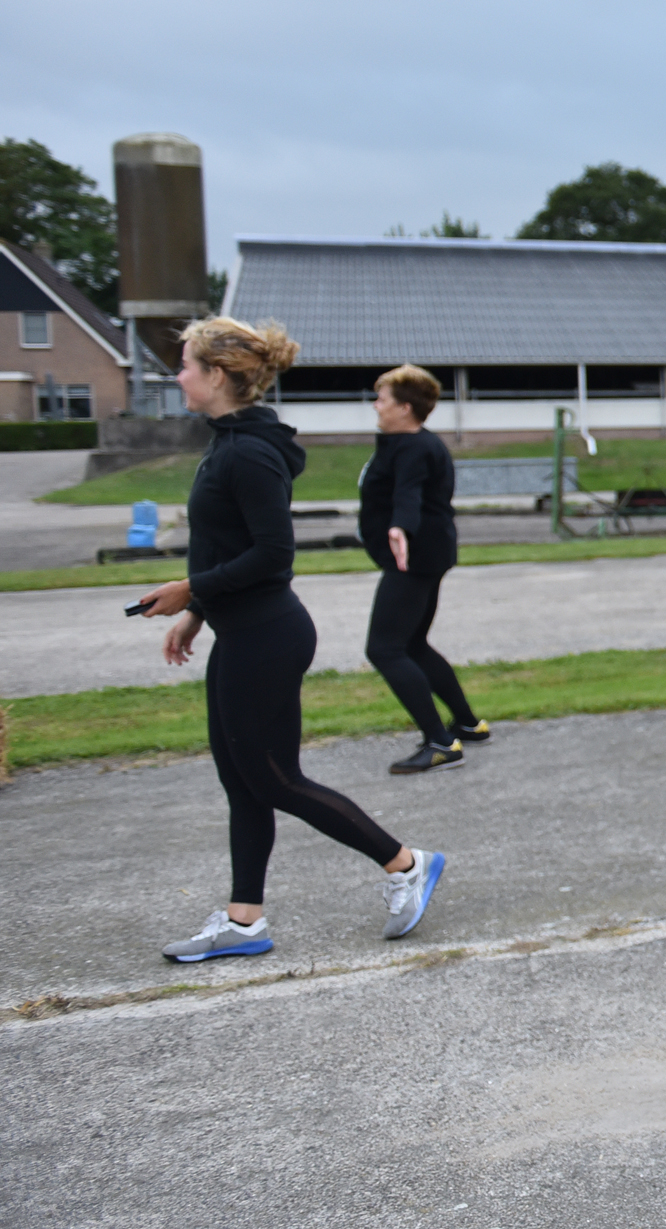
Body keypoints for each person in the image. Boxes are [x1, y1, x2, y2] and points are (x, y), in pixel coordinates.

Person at [135, 317, 447, 962]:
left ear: (216, 375)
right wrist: (198, 612)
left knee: (275, 778)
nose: (179, 375)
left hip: (268, 634)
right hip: (241, 630)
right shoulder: (230, 442)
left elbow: (274, 556)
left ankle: (406, 863)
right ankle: (243, 920)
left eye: (187, 364)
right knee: (242, 781)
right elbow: (227, 545)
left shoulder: (247, 452)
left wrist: (190, 590)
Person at [359, 363, 487, 775]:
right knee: (412, 644)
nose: (376, 405)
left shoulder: (413, 448)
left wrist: (400, 528)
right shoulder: (410, 443)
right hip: (423, 555)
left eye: (383, 399)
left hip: (412, 559)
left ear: (405, 408)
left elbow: (407, 495)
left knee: (384, 648)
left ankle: (440, 742)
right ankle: (467, 723)